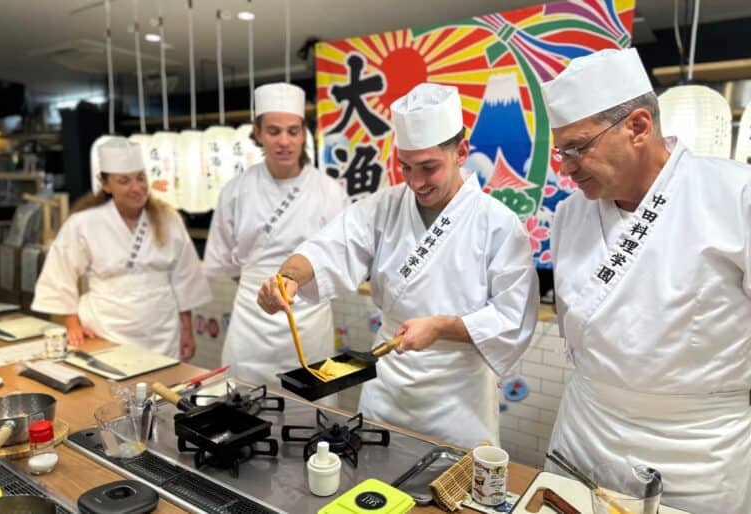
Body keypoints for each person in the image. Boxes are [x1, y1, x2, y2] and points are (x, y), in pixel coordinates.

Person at [257, 83, 539, 448]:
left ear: (461, 152)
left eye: (428, 167)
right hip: (389, 380)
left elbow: (512, 315)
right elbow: (328, 247)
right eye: (405, 167)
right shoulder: (385, 206)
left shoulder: (497, 223)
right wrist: (287, 278)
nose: (415, 182)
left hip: (458, 393)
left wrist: (440, 326)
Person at [540, 48, 751, 514]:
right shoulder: (570, 215)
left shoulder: (735, 195)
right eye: (561, 152)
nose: (567, 166)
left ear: (638, 126)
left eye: (578, 147)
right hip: (586, 432)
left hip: (696, 453)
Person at [204, 82, 348, 387]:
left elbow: (340, 257)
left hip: (309, 316)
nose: (284, 141)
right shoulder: (236, 190)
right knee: (245, 405)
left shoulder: (330, 191)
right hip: (251, 321)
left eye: (293, 131)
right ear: (257, 133)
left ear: (304, 133)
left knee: (311, 412)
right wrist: (260, 283)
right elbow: (223, 259)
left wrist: (298, 286)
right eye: (273, 131)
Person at [33, 137, 211, 361]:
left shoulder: (168, 218)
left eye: (141, 178)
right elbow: (59, 274)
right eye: (125, 181)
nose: (137, 187)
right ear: (105, 184)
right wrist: (72, 323)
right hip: (106, 328)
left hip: (162, 330)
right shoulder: (84, 222)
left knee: (164, 389)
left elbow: (185, 276)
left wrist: (187, 328)